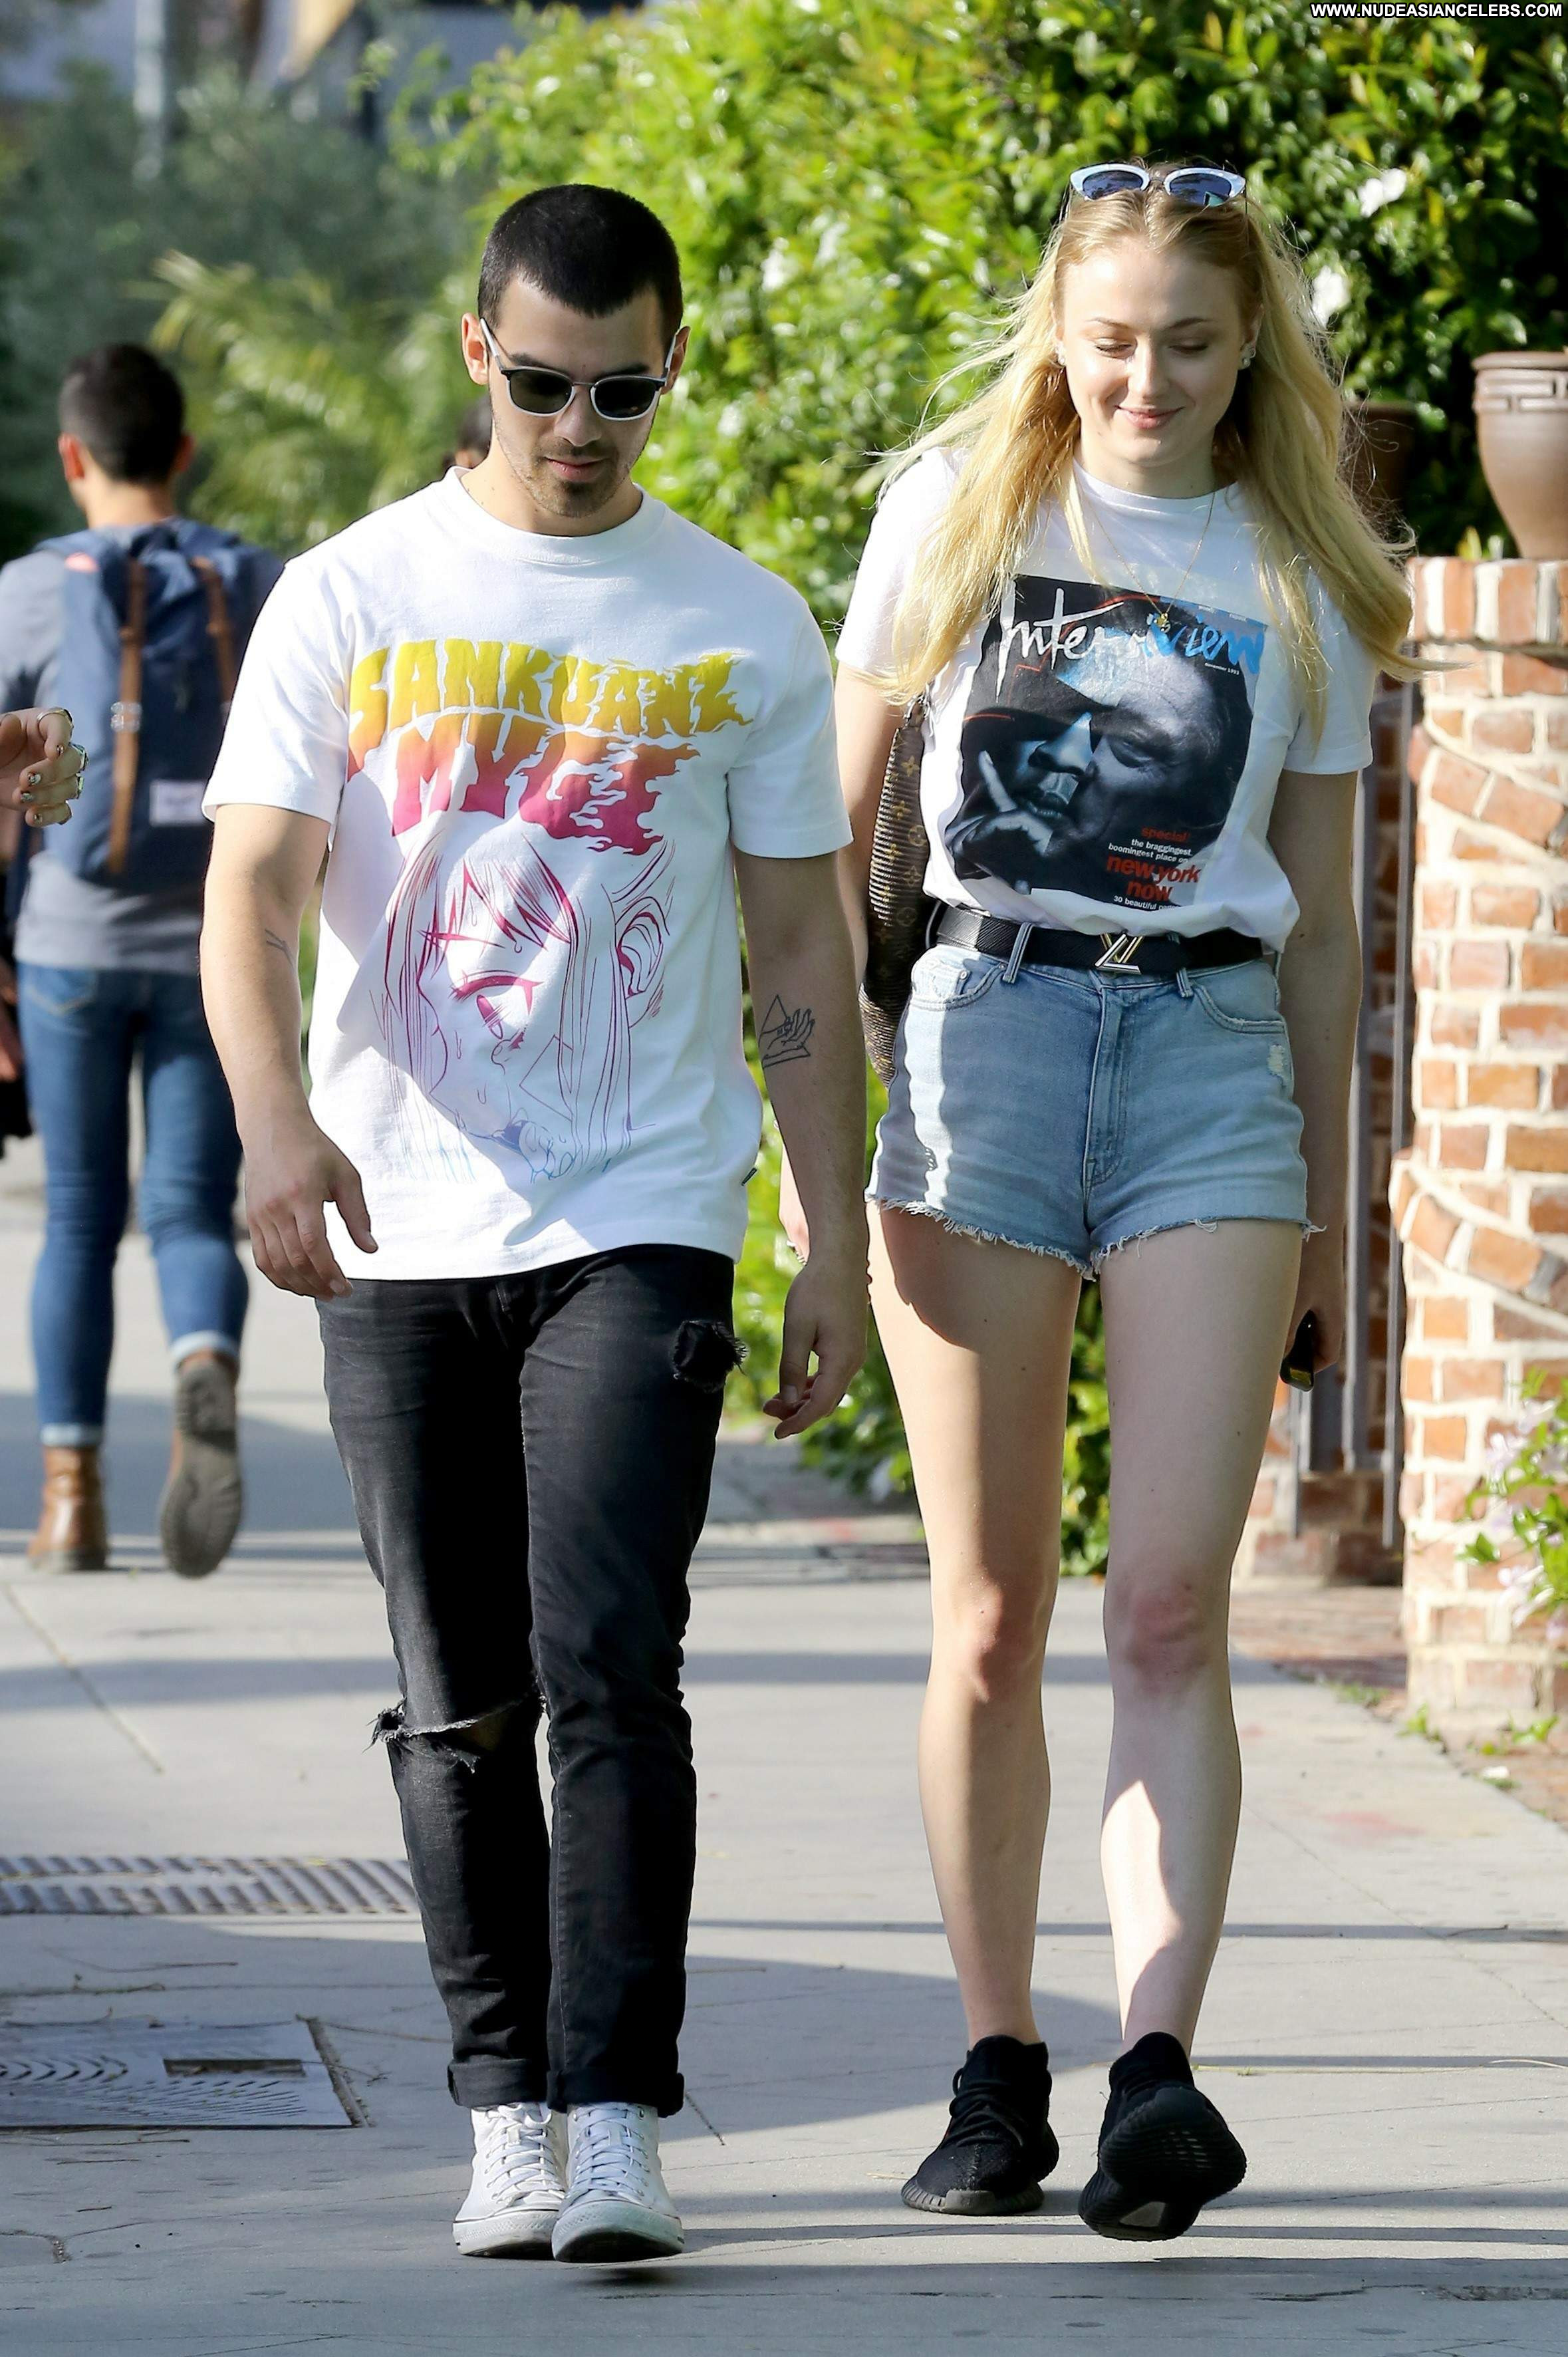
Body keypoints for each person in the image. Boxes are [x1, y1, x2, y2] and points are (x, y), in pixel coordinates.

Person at [199, 184, 867, 2265]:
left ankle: (615, 2117)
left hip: (639, 1206)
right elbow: (251, 892)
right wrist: (276, 1130)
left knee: (611, 1666)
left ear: (671, 370)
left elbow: (798, 952)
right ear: (479, 352)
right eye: (550, 385)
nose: (582, 428)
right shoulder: (349, 593)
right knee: (455, 1693)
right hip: (396, 1218)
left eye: (626, 392)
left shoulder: (740, 621)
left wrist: (829, 1237)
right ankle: (502, 2112)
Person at [826, 159, 1409, 2239]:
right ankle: (996, 2072)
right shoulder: (951, 513)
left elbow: (1326, 937)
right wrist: (815, 1135)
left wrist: (1330, 1214)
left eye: (1182, 342)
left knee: (1165, 1601)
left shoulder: (1297, 567)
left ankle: (1152, 2070)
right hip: (979, 1041)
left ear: (1248, 349)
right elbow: (821, 841)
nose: (1138, 380)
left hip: (1204, 1061)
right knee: (985, 1617)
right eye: (1104, 342)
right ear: (1053, 339)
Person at [0, 348, 281, 1578]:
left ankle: (71, 1501)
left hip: (66, 944)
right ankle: (202, 1358)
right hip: (214, 948)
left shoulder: (27, 591)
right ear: (184, 452)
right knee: (187, 1211)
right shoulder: (257, 584)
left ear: (72, 456)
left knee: (77, 1217)